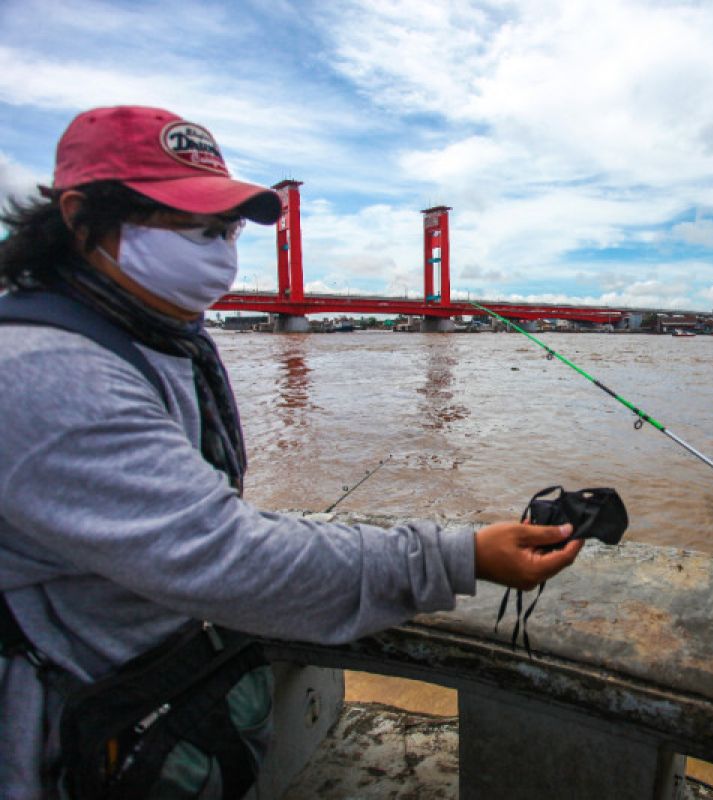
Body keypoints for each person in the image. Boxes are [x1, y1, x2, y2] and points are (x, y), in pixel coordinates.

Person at [0, 106, 583, 797]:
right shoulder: (45, 372)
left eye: (227, 230)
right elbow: (225, 555)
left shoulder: (150, 332)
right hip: (64, 745)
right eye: (193, 226)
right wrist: (460, 555)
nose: (219, 250)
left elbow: (195, 515)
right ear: (82, 217)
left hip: (140, 698)